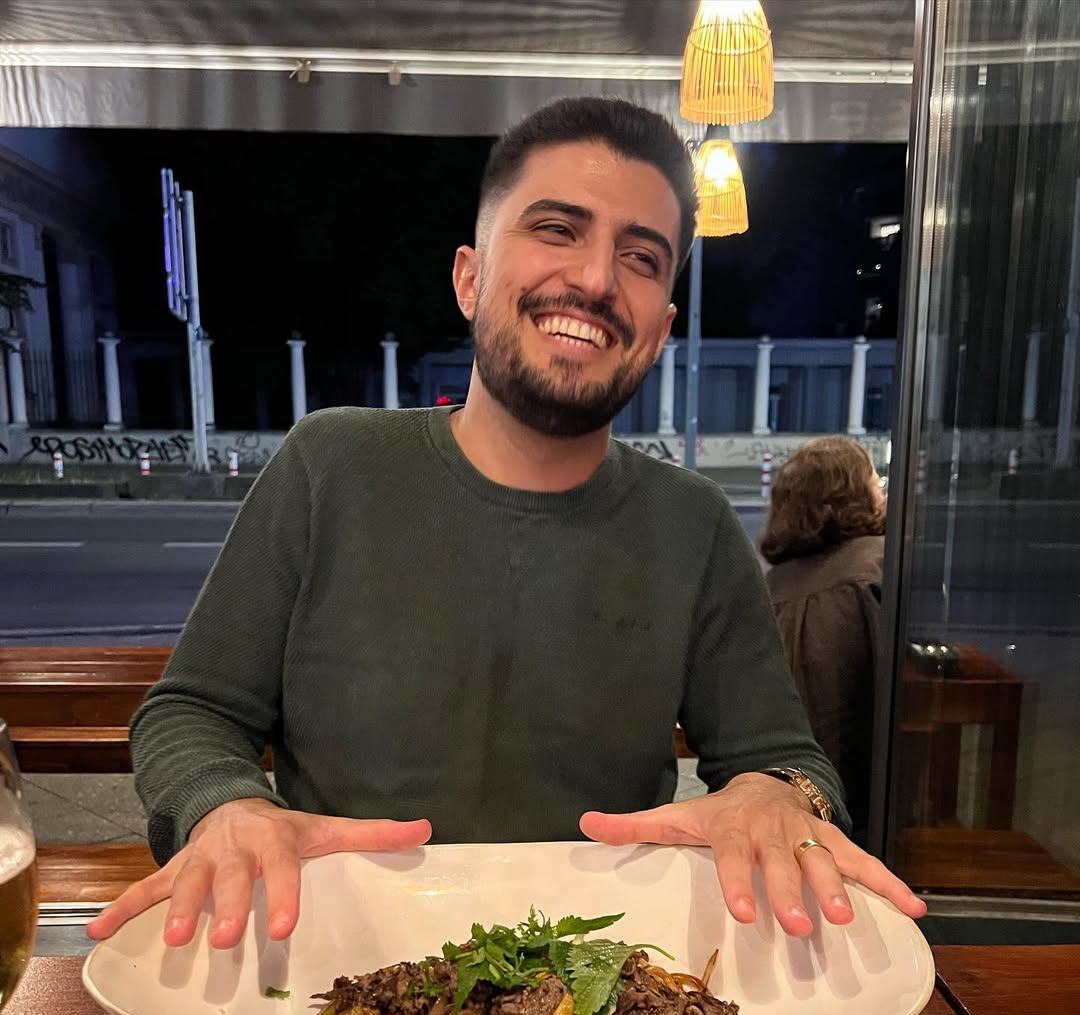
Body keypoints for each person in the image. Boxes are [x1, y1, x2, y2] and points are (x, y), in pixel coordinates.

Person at [88, 97, 924, 953]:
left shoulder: (694, 524)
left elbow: (788, 760)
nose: (596, 279)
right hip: (334, 959)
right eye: (557, 229)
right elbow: (191, 710)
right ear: (470, 277)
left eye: (641, 257)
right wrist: (227, 805)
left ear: (661, 329)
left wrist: (778, 797)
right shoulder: (329, 465)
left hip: (593, 985)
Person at [759, 435, 888, 843]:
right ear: (850, 497)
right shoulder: (880, 565)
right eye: (876, 484)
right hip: (869, 808)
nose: (884, 495)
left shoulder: (769, 587)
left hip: (786, 807)